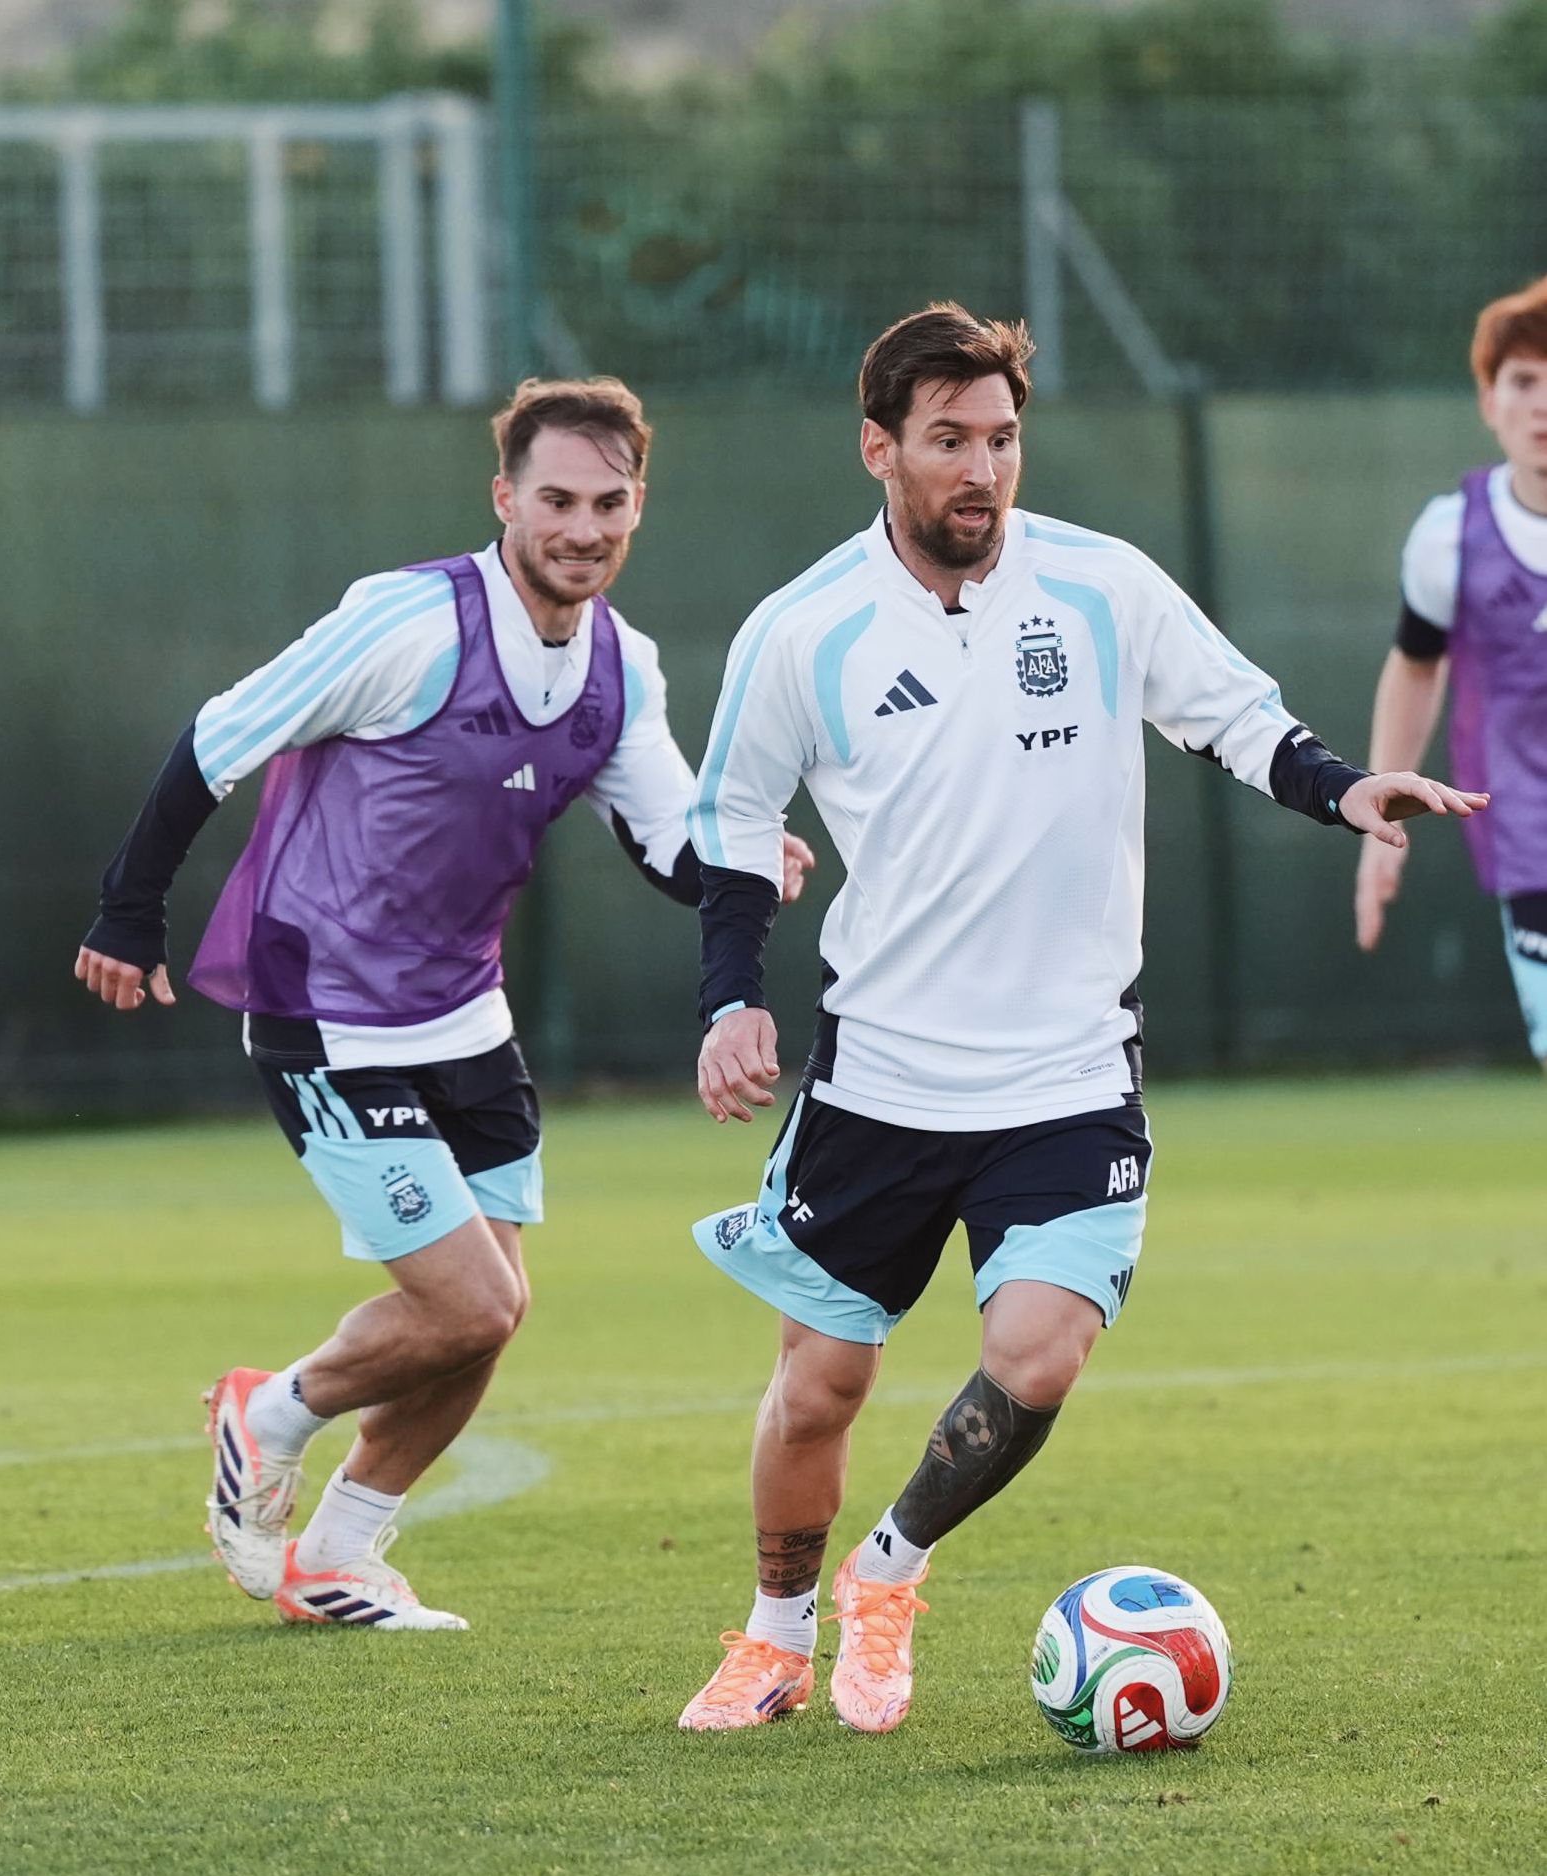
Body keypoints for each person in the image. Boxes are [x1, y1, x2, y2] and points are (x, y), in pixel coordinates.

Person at [675, 302, 1483, 1733]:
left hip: (1065, 1074)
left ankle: (888, 1568)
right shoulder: (802, 630)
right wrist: (731, 995)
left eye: (1000, 438)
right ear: (877, 449)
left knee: (1039, 1352)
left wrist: (1343, 788)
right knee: (819, 1388)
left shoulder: (1102, 587)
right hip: (880, 1080)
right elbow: (734, 820)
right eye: (947, 440)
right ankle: (774, 1636)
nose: (981, 469)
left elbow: (1236, 716)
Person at [75, 376, 813, 1631]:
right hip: (323, 1007)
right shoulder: (408, 622)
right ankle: (268, 1413)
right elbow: (221, 737)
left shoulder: (619, 667)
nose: (583, 527)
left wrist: (737, 863)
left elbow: (661, 838)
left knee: (487, 1321)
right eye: (557, 500)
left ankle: (339, 1553)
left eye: (609, 503)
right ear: (504, 499)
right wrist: (127, 911)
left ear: (638, 505)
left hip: (468, 1017)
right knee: (469, 1300)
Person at [1355, 274, 1547, 1073]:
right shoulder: (1450, 539)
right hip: (1532, 839)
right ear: (1489, 401)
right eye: (1524, 382)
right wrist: (1381, 818)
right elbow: (1415, 668)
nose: (1542, 406)